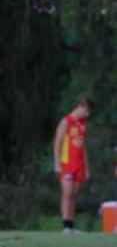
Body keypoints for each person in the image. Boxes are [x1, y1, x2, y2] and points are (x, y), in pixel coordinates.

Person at [53, 96, 92, 232]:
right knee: (67, 192)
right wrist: (57, 164)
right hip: (66, 163)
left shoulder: (82, 124)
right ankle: (65, 226)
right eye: (86, 111)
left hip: (78, 164)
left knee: (74, 193)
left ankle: (70, 224)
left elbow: (83, 147)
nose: (87, 114)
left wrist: (86, 168)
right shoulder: (66, 121)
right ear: (80, 106)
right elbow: (57, 142)